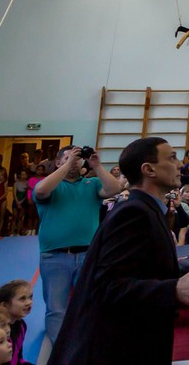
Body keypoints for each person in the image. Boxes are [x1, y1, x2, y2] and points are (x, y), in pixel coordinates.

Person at [47, 137, 189, 365]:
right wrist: (173, 289)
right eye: (172, 158)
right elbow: (108, 287)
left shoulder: (150, 210)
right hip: (114, 350)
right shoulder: (133, 213)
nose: (180, 164)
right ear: (149, 169)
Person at [33, 147, 121, 349]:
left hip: (87, 254)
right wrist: (68, 165)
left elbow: (114, 189)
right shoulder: (50, 185)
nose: (74, 161)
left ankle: (86, 345)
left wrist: (96, 165)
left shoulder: (91, 184)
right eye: (67, 157)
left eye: (77, 158)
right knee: (56, 308)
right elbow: (41, 192)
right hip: (54, 256)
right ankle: (60, 349)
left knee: (89, 302)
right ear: (57, 162)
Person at [0, 280, 33, 365]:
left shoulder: (21, 325)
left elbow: (18, 357)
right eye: (22, 299)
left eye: (30, 297)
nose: (29, 302)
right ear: (4, 305)